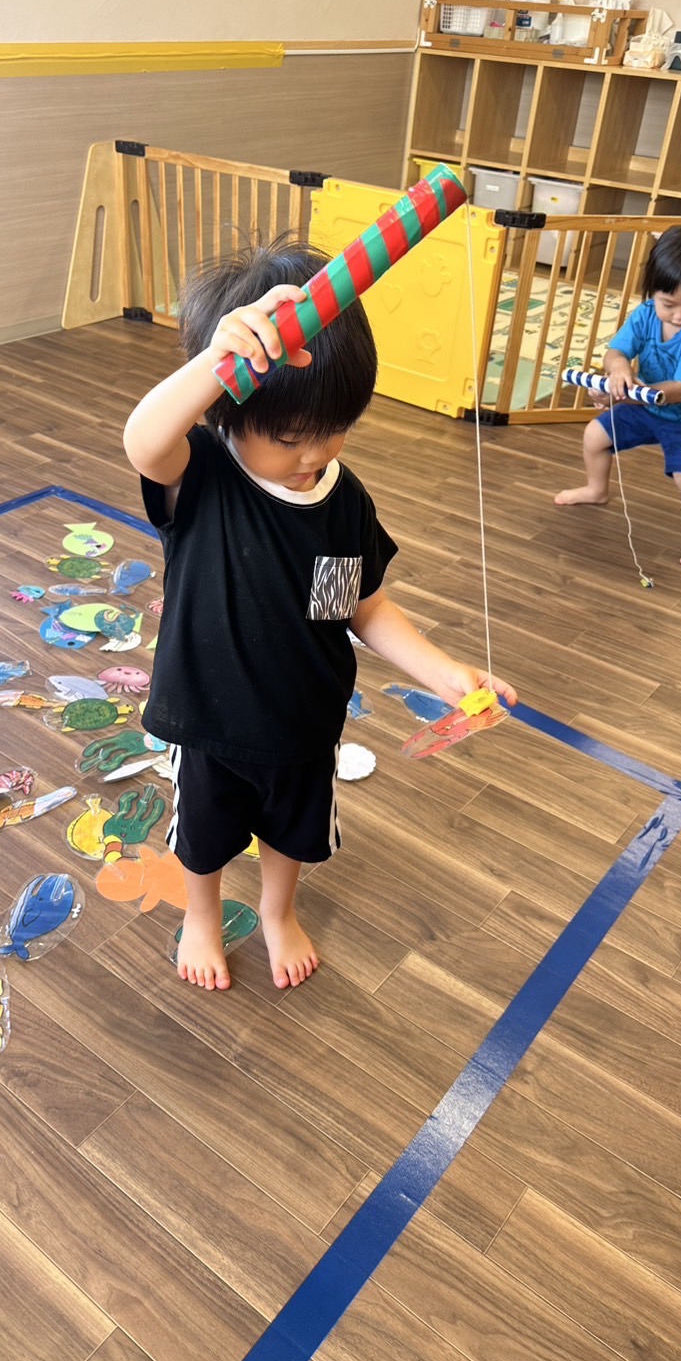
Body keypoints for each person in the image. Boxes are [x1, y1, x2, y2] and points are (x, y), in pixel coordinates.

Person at [124, 239, 517, 992]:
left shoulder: (343, 500)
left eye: (334, 429)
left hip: (303, 724)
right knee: (202, 838)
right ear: (227, 409)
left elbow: (359, 608)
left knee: (291, 834)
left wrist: (444, 672)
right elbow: (144, 441)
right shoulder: (200, 474)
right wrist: (215, 361)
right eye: (290, 438)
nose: (315, 454)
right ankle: (202, 915)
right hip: (206, 721)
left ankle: (278, 911)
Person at [554, 223, 681, 568]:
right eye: (668, 303)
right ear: (653, 290)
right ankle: (596, 489)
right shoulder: (644, 314)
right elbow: (615, 352)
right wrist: (618, 371)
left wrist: (623, 396)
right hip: (646, 402)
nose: (680, 315)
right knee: (594, 436)